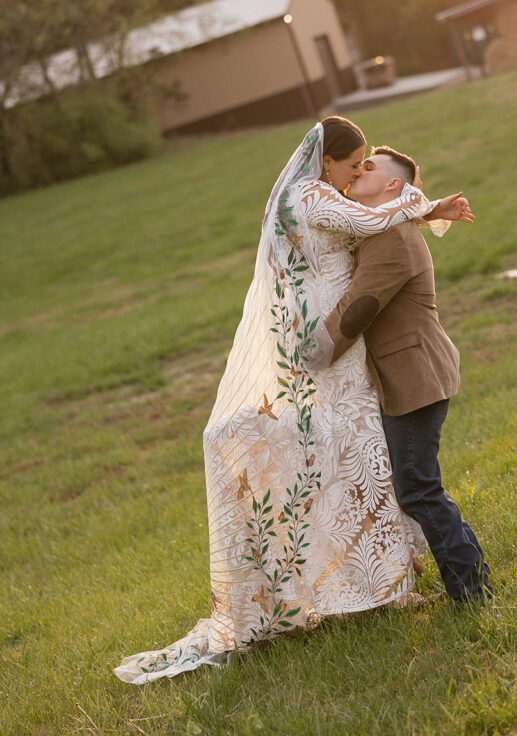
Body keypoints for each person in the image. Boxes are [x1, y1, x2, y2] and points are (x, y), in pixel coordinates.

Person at [115, 117, 472, 684]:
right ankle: (352, 585)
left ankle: (425, 585)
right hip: (331, 352)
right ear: (325, 162)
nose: (358, 172)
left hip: (375, 363)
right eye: (355, 163)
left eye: (366, 167)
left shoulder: (359, 215)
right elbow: (368, 218)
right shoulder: (316, 197)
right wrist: (425, 208)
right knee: (370, 471)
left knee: (398, 479)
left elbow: (371, 236)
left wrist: (420, 206)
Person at [321, 145, 492, 603]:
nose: (358, 171)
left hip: (416, 379)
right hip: (408, 376)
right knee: (416, 486)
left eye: (369, 168)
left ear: (393, 186)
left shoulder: (391, 241)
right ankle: (468, 580)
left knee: (418, 489)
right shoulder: (382, 228)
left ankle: (473, 592)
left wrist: (307, 353)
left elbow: (356, 313)